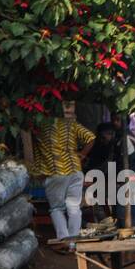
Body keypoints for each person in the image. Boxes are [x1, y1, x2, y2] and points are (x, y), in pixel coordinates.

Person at [33, 100, 94, 241]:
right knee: (74, 207)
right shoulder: (71, 124)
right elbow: (91, 137)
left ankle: (63, 240)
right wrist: (82, 154)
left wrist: (37, 173)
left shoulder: (39, 127)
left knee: (56, 208)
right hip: (75, 170)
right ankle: (74, 241)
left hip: (55, 172)